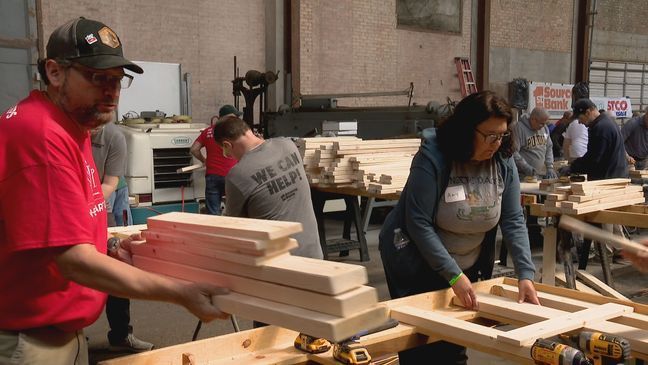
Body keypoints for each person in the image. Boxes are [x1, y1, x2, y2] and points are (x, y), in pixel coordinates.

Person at [0, 17, 227, 364]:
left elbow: (61, 232)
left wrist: (108, 249)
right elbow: (73, 261)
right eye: (97, 77)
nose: (112, 91)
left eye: (118, 81)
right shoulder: (42, 137)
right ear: (55, 72)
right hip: (30, 339)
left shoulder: (69, 128)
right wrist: (180, 293)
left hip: (57, 331)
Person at [379, 91, 539, 364]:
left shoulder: (503, 161)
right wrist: (453, 275)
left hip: (466, 262)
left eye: (502, 136)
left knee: (455, 341)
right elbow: (417, 223)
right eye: (490, 136)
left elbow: (513, 219)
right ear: (467, 130)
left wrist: (525, 274)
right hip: (416, 259)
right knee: (421, 343)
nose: (496, 143)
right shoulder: (434, 158)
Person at [213, 116, 324, 260]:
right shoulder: (288, 145)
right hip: (314, 255)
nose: (228, 156)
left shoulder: (238, 175)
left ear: (227, 145)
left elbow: (235, 228)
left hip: (279, 266)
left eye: (225, 151)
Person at [91, 122, 153, 352]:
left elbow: (110, 183)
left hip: (104, 196)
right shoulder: (63, 130)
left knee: (115, 264)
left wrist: (88, 206)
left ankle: (121, 335)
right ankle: (69, 333)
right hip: (72, 200)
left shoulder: (114, 137)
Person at [190, 105, 240, 215]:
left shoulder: (207, 131)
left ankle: (215, 229)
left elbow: (194, 149)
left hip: (212, 176)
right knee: (234, 212)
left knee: (213, 213)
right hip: (232, 175)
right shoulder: (235, 132)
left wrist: (204, 160)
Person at [568, 99, 627, 180]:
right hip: (615, 176)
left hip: (608, 180)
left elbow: (594, 159)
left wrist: (573, 168)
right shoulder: (607, 122)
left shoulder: (601, 128)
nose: (579, 122)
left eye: (580, 118)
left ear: (588, 112)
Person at [512, 107, 557, 179]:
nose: (543, 126)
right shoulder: (519, 128)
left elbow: (548, 148)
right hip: (523, 175)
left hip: (538, 174)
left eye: (545, 123)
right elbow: (514, 152)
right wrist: (526, 168)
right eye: (541, 123)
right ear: (533, 119)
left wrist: (550, 167)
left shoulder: (545, 128)